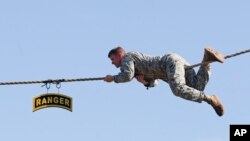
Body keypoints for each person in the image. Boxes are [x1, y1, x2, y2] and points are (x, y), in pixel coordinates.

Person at [104, 46, 225, 117]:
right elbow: (155, 83)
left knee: (178, 89)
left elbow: (127, 76)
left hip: (169, 63)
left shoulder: (127, 58)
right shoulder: (136, 68)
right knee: (196, 88)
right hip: (174, 62)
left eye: (113, 59)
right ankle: (207, 60)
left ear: (120, 54)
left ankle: (209, 99)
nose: (112, 63)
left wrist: (113, 79)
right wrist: (145, 83)